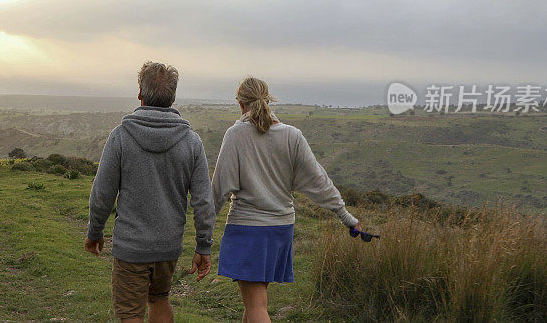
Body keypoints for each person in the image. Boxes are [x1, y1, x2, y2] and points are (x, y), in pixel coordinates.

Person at [212, 77, 362, 322]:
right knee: (254, 303)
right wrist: (346, 216)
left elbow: (219, 189)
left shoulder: (236, 134)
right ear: (268, 99)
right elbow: (319, 181)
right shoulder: (293, 136)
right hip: (281, 229)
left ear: (240, 105)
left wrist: (204, 234)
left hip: (248, 228)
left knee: (256, 306)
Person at [85, 61, 215, 323]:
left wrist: (95, 231)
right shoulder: (191, 141)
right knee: (160, 298)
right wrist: (203, 245)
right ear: (173, 97)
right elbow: (203, 200)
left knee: (131, 313)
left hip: (131, 246)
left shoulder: (121, 136)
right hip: (168, 245)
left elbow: (103, 193)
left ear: (140, 94)